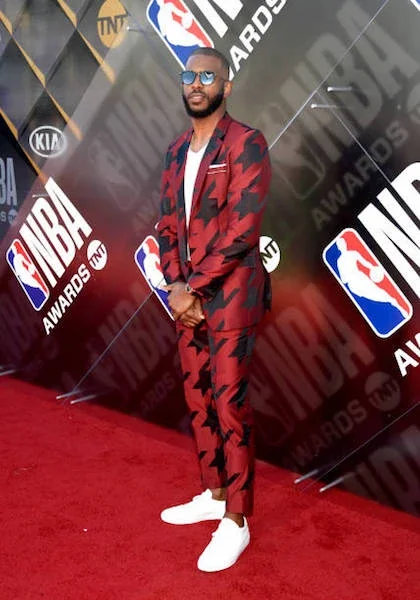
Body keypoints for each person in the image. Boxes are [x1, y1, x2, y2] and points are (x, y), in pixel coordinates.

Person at [156, 47, 271, 572]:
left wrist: (195, 290)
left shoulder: (246, 143)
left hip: (231, 297)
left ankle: (237, 521)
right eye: (190, 75)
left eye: (208, 76)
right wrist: (175, 285)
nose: (197, 83)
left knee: (229, 406)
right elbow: (166, 225)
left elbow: (242, 230)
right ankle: (214, 492)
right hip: (188, 299)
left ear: (226, 86)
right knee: (197, 398)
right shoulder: (175, 150)